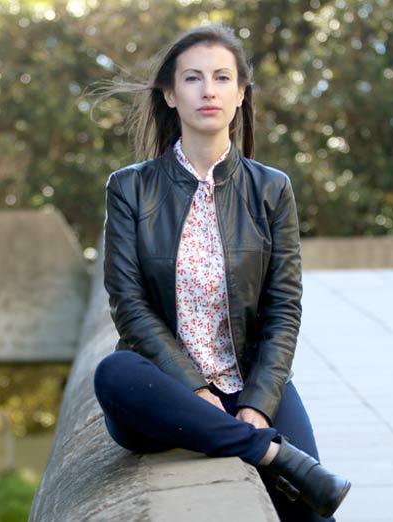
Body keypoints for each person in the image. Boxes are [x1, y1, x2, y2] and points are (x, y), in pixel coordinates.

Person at [88, 23, 350, 521]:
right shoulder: (129, 188)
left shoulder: (271, 189)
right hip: (168, 390)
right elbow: (129, 304)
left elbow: (284, 308)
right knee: (114, 373)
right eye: (192, 78)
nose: (208, 90)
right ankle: (268, 452)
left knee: (315, 513)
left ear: (240, 92)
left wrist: (259, 403)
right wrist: (194, 389)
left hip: (249, 380)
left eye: (222, 77)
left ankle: (251, 439)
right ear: (170, 94)